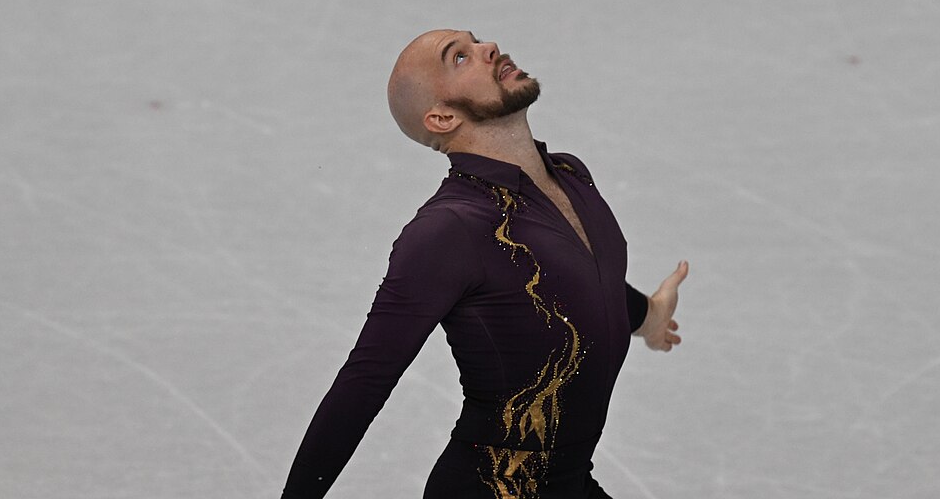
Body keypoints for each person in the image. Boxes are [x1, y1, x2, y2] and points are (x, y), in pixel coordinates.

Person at [279, 30, 689, 498]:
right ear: (441, 116)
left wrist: (648, 315)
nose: (489, 48)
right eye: (459, 57)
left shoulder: (571, 175)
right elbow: (365, 380)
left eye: (475, 42)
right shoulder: (449, 230)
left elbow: (576, 286)